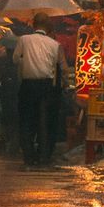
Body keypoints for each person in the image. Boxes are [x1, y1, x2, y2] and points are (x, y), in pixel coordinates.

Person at [13, 12, 68, 166]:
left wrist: (26, 61)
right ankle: (44, 155)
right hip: (47, 87)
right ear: (48, 26)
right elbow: (63, 68)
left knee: (27, 120)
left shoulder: (23, 40)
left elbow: (15, 59)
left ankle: (29, 155)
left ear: (33, 24)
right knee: (47, 121)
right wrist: (65, 84)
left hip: (28, 86)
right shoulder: (55, 44)